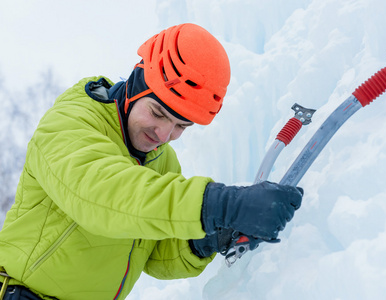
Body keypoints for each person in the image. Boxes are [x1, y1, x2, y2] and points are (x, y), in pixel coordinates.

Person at [0, 23, 303, 300]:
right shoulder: (73, 122)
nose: (163, 134)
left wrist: (209, 237)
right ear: (135, 85)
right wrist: (220, 204)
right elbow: (103, 196)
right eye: (158, 113)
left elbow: (156, 254)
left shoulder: (161, 160)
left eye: (181, 126)